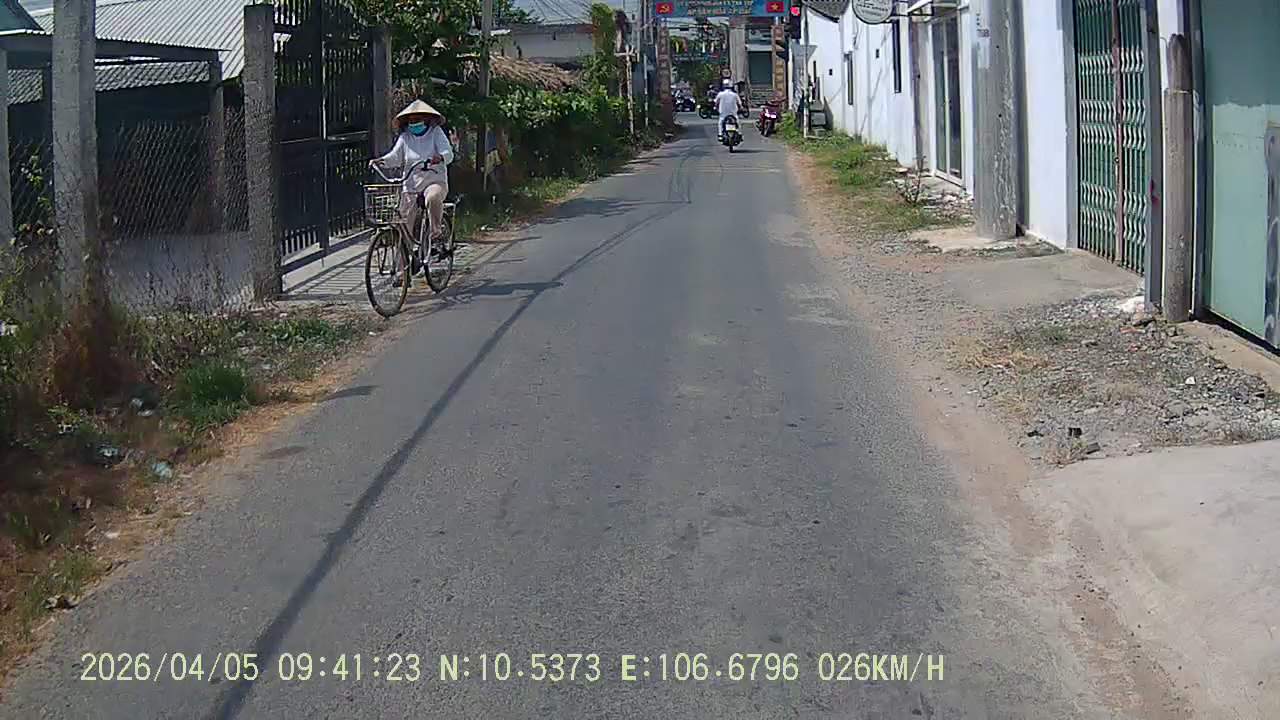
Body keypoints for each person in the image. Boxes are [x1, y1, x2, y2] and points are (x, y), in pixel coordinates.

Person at [370, 100, 453, 252]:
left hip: (434, 181)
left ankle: (436, 233)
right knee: (403, 222)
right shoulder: (405, 138)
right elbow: (395, 157)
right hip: (411, 185)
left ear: (426, 119)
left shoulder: (436, 133)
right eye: (411, 121)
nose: (414, 123)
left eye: (417, 119)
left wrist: (440, 157)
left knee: (433, 198)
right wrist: (381, 161)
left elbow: (448, 152)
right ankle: (404, 260)